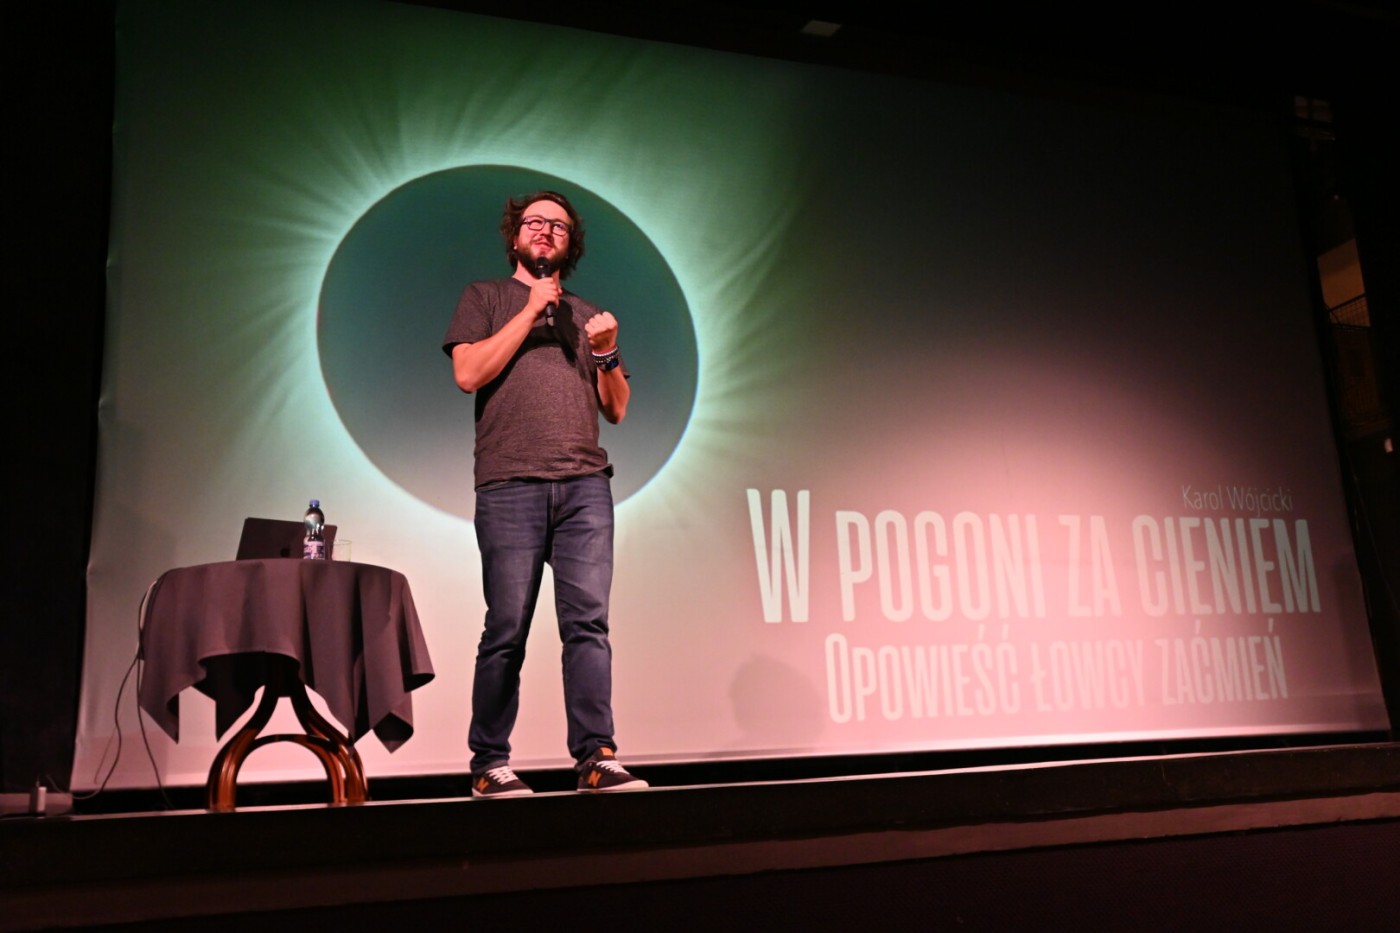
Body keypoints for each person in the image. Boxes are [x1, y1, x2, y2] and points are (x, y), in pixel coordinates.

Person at [441, 190, 648, 796]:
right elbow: (468, 374)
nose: (545, 231)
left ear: (569, 244)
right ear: (515, 236)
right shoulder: (486, 297)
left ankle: (596, 756)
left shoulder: (588, 314)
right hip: (511, 483)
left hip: (585, 485)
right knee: (506, 626)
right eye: (534, 222)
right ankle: (489, 764)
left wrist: (607, 352)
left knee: (588, 626)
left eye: (558, 226)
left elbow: (616, 410)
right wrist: (530, 310)